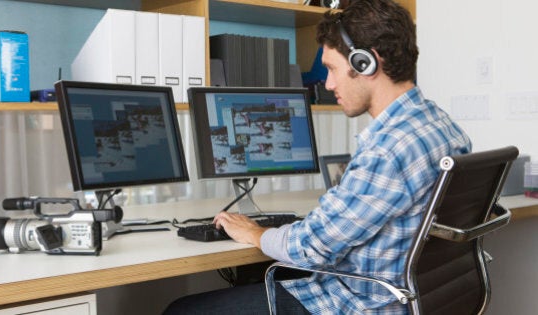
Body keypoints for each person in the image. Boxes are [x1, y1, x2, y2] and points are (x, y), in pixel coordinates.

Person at [164, 0, 471, 313]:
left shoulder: (388, 148)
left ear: (366, 63)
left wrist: (255, 232)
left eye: (332, 68)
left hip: (360, 304)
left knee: (180, 310)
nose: (328, 84)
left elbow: (310, 247)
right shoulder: (443, 127)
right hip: (418, 297)